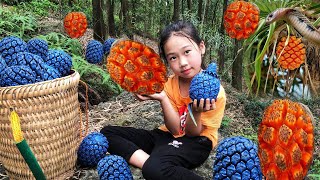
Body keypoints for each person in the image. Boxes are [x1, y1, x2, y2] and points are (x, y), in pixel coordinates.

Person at [100, 20, 227, 180]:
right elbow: (174, 130)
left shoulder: (215, 92)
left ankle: (155, 165)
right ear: (167, 60)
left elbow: (192, 133)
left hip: (196, 142)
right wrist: (162, 98)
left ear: (201, 47)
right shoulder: (170, 83)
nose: (183, 63)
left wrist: (195, 111)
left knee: (154, 170)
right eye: (173, 57)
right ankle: (151, 162)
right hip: (165, 135)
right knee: (107, 133)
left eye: (187, 52)